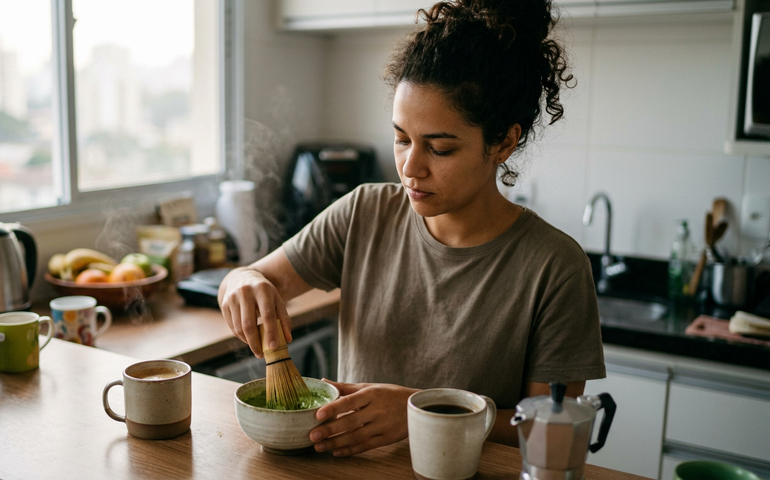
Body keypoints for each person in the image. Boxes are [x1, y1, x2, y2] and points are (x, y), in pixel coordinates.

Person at [218, 0, 605, 458]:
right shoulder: (364, 213)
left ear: (503, 142)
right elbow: (251, 278)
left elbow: (553, 434)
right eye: (402, 139)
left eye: (439, 149)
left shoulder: (555, 267)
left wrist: (422, 413)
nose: (410, 167)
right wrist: (241, 282)